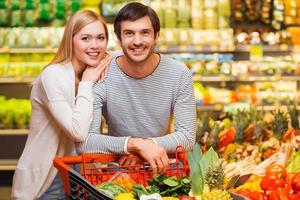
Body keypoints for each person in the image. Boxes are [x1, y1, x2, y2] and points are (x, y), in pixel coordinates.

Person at [80, 2, 196, 174]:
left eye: (145, 33)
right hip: (117, 173)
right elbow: (87, 142)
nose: (137, 41)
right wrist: (134, 145)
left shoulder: (179, 74)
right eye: (129, 33)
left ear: (156, 36)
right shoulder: (102, 71)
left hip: (162, 170)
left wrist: (147, 147)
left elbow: (187, 137)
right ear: (118, 38)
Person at [11, 10, 111, 200]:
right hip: (47, 180)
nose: (95, 45)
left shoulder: (94, 71)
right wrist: (87, 83)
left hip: (80, 178)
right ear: (70, 40)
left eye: (101, 38)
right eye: (86, 38)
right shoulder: (54, 75)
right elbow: (77, 132)